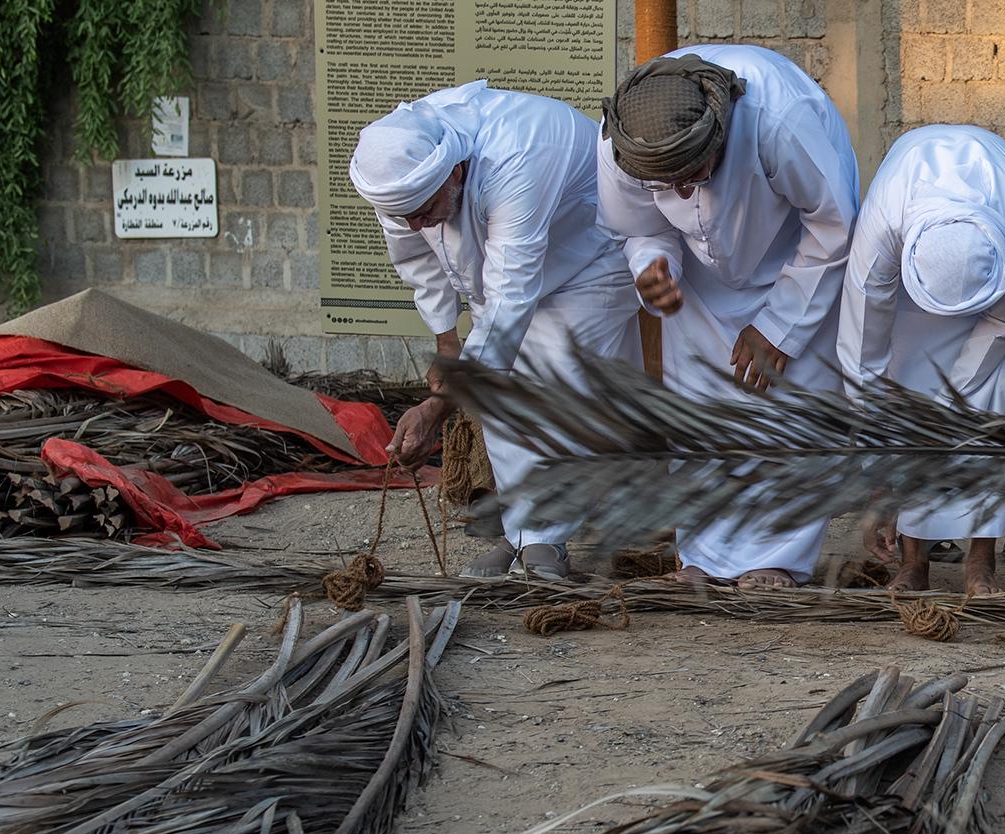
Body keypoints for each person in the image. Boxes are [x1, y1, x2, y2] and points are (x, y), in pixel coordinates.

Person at [350, 80, 642, 581]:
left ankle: (543, 543)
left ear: (457, 172)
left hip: (590, 261)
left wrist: (438, 409)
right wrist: (447, 339)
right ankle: (527, 536)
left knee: (555, 385)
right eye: (406, 216)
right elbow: (417, 260)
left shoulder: (520, 154)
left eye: (425, 211)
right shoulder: (400, 178)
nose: (418, 224)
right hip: (507, 274)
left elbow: (511, 295)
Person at [597, 45, 859, 590]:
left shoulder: (778, 122)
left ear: (719, 136)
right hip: (694, 270)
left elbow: (833, 226)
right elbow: (639, 227)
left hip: (796, 256)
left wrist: (780, 327)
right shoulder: (621, 144)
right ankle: (706, 559)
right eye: (669, 183)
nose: (686, 191)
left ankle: (777, 559)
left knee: (789, 407)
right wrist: (653, 266)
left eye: (695, 174)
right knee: (700, 405)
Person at [838, 125, 1005, 595]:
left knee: (994, 400)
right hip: (912, 286)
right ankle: (913, 562)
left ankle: (981, 565)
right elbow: (864, 356)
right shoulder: (883, 229)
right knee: (906, 390)